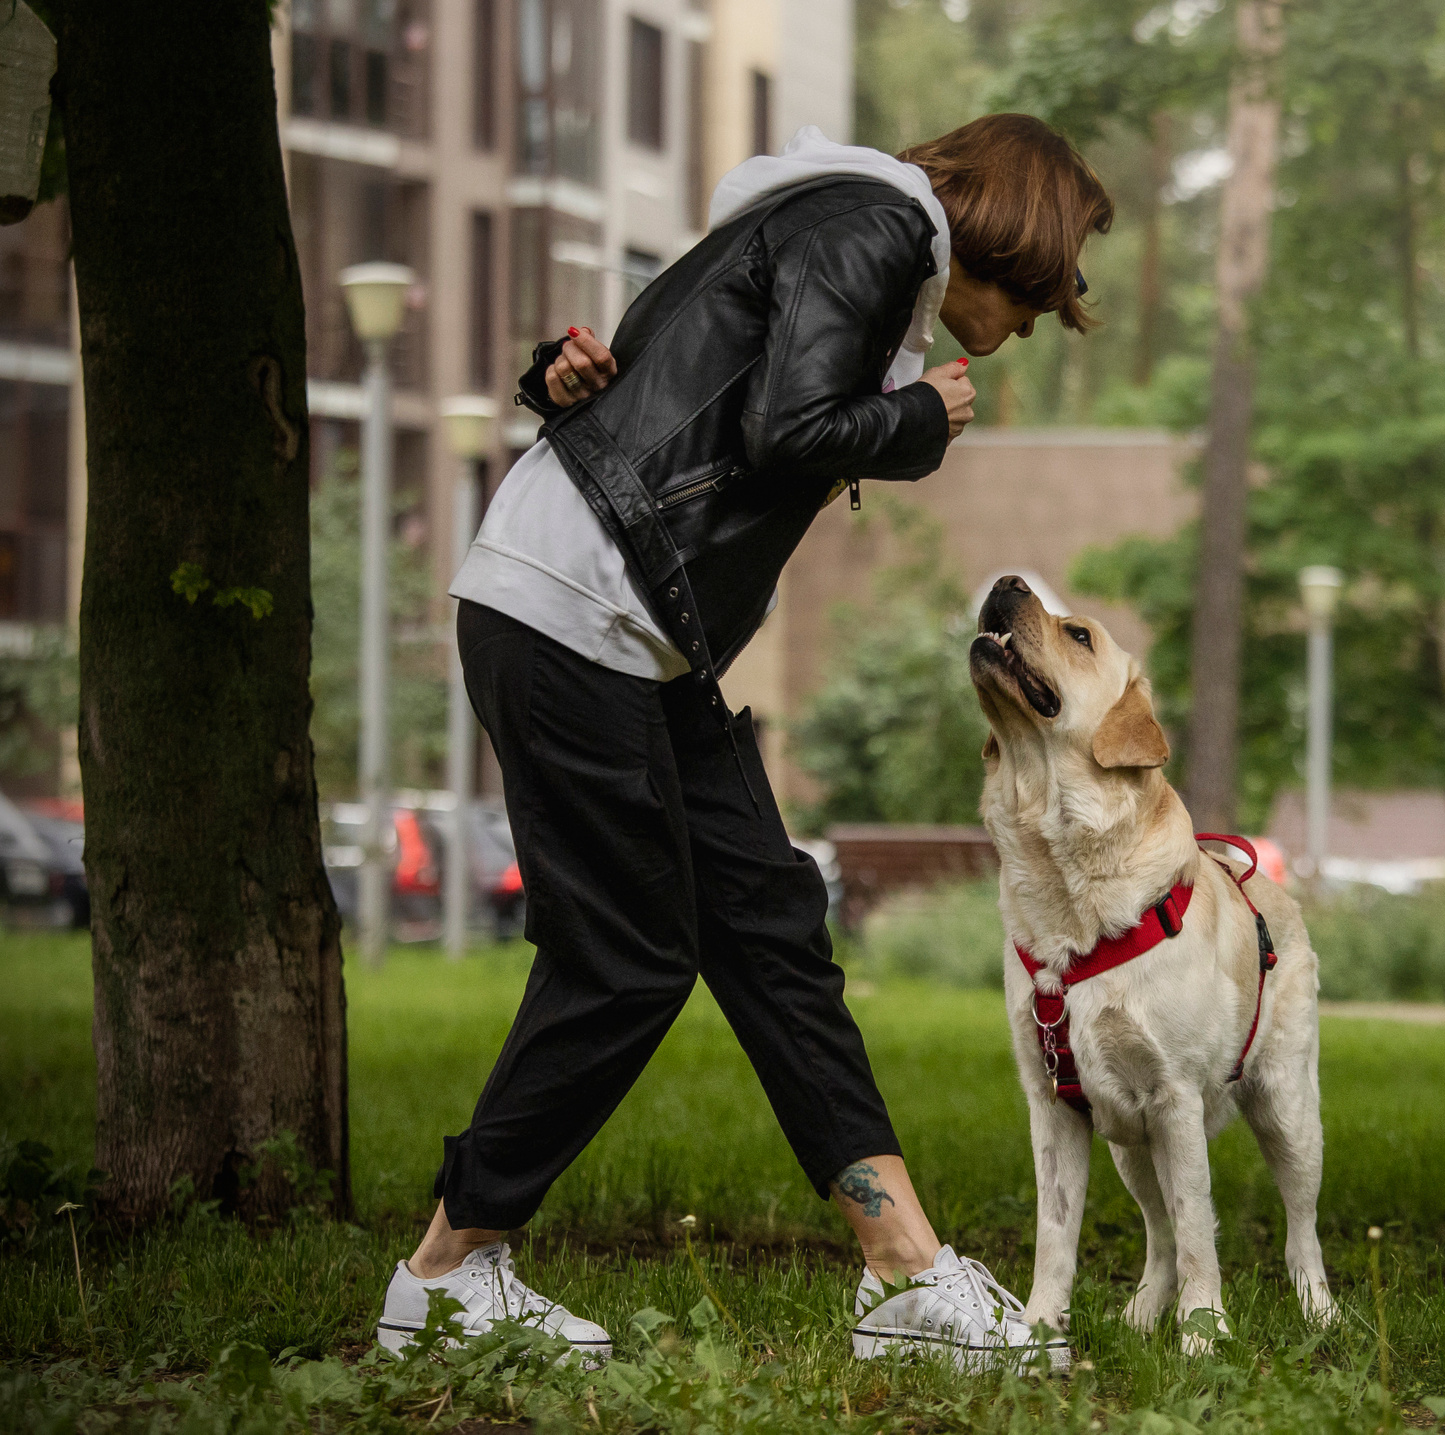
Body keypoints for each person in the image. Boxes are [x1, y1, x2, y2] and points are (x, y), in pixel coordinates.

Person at [373, 115, 1114, 1372]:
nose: (1042, 318)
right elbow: (786, 429)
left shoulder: (825, 226)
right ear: (1016, 236)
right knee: (627, 959)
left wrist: (551, 375)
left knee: (771, 933)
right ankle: (445, 1275)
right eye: (1049, 291)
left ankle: (907, 1273)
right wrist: (919, 419)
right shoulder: (878, 229)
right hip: (578, 612)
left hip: (642, 630)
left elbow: (636, 385)